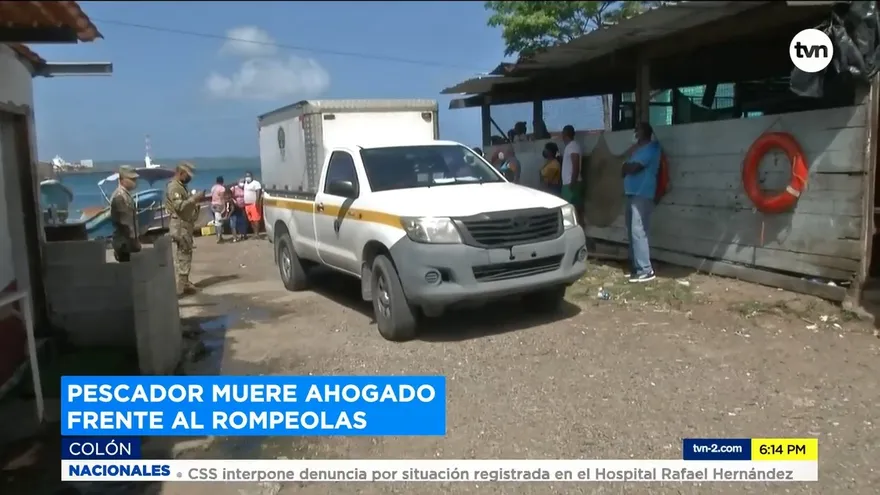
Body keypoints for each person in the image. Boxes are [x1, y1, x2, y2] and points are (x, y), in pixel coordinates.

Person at [623, 122, 661, 283]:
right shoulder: (636, 151)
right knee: (632, 231)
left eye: (637, 130)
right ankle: (637, 267)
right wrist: (627, 166)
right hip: (631, 193)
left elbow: (632, 168)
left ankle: (646, 269)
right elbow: (624, 168)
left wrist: (627, 166)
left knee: (638, 230)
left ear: (644, 132)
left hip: (642, 193)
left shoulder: (652, 149)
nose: (635, 132)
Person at [165, 161, 204, 296]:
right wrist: (194, 199)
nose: (189, 178)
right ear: (181, 173)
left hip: (184, 224)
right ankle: (181, 286)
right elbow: (179, 206)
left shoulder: (181, 186)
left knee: (186, 253)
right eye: (187, 175)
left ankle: (184, 282)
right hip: (180, 225)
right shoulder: (174, 187)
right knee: (183, 254)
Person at [110, 166, 141, 262]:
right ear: (122, 180)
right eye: (132, 179)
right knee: (126, 271)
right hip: (123, 242)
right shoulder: (119, 196)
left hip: (127, 241)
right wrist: (133, 240)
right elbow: (124, 221)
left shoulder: (126, 195)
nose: (134, 182)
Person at [561, 125, 583, 220]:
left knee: (574, 211)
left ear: (566, 134)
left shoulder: (572, 146)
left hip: (571, 183)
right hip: (569, 183)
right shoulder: (570, 146)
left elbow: (575, 164)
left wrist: (572, 182)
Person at [243, 171, 263, 238]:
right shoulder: (245, 183)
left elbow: (258, 192)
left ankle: (257, 234)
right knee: (251, 220)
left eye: (248, 176)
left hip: (254, 204)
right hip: (247, 205)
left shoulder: (256, 183)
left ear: (252, 176)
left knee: (256, 219)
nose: (247, 177)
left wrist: (257, 201)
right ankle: (255, 233)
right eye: (246, 176)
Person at [210, 176, 227, 243]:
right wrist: (224, 206)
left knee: (216, 222)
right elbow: (222, 197)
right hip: (218, 205)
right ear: (222, 181)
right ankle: (219, 238)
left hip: (213, 205)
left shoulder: (213, 187)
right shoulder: (222, 188)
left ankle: (219, 236)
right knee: (219, 222)